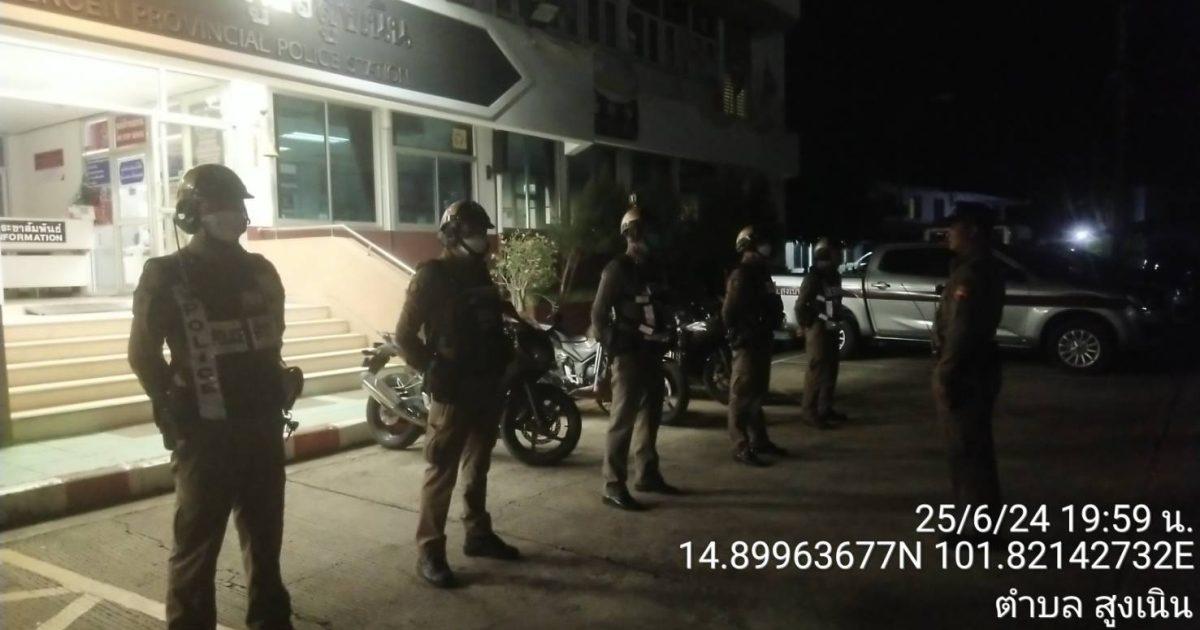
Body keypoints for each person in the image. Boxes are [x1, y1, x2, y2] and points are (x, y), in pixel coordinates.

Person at [129, 164, 294, 630]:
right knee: (196, 548)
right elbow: (142, 354)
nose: (232, 214)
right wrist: (169, 405)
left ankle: (271, 621)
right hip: (205, 435)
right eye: (219, 205)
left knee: (266, 539)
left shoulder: (260, 271)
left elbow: (273, 338)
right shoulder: (165, 274)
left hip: (262, 427)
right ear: (190, 213)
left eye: (237, 205)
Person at [394, 200, 521, 588]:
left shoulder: (479, 273)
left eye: (483, 231)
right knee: (441, 469)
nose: (481, 239)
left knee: (478, 465)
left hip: (486, 384)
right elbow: (404, 336)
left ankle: (478, 534)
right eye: (472, 232)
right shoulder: (432, 276)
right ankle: (429, 551)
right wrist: (432, 370)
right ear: (451, 235)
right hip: (453, 390)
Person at [592, 198, 680, 511]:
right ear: (633, 234)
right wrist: (617, 344)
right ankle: (613, 485)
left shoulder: (654, 269)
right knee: (623, 421)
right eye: (647, 232)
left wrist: (669, 330)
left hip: (652, 353)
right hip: (628, 356)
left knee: (650, 415)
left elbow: (662, 305)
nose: (652, 238)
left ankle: (647, 474)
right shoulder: (618, 269)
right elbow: (598, 316)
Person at [932, 205, 1006, 512]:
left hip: (967, 370)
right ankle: (978, 519)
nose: (949, 233)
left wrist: (945, 373)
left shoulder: (972, 273)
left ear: (973, 231)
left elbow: (961, 329)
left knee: (966, 453)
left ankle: (976, 525)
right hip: (976, 366)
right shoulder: (980, 267)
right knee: (973, 451)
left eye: (955, 227)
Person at [723, 225, 789, 466]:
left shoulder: (762, 273)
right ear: (749, 246)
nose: (767, 247)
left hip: (762, 340)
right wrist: (741, 335)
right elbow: (729, 313)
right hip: (748, 343)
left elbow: (771, 302)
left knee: (757, 394)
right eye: (761, 243)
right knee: (741, 395)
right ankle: (740, 446)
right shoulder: (741, 275)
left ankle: (759, 440)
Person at [795, 238, 849, 428]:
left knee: (831, 369)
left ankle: (825, 408)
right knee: (816, 370)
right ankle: (809, 412)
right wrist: (807, 325)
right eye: (836, 252)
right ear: (825, 254)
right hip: (818, 328)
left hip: (831, 326)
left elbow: (834, 301)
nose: (840, 256)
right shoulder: (813, 278)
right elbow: (801, 306)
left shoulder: (834, 276)